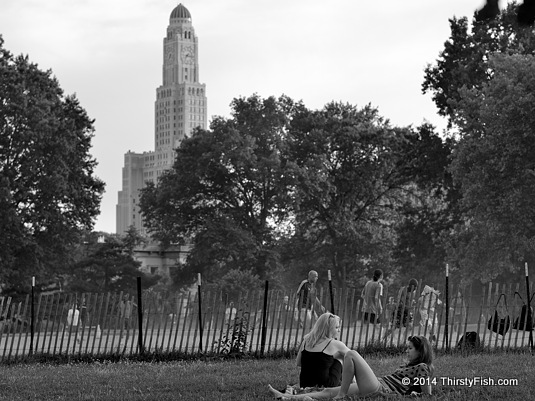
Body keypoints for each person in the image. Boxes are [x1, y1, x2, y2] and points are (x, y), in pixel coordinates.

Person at [268, 335, 434, 399]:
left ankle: (341, 395)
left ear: (421, 351)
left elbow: (427, 394)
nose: (406, 351)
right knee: (327, 391)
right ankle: (287, 398)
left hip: (381, 388)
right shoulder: (410, 365)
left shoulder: (422, 367)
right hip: (378, 382)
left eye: (410, 348)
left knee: (352, 354)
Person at [296, 313, 351, 389]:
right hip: (326, 385)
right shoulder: (334, 344)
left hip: (305, 384)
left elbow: (299, 363)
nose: (339, 330)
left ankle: (342, 383)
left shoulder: (306, 340)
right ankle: (351, 383)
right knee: (341, 357)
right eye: (337, 327)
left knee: (328, 358)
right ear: (329, 328)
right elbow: (353, 357)